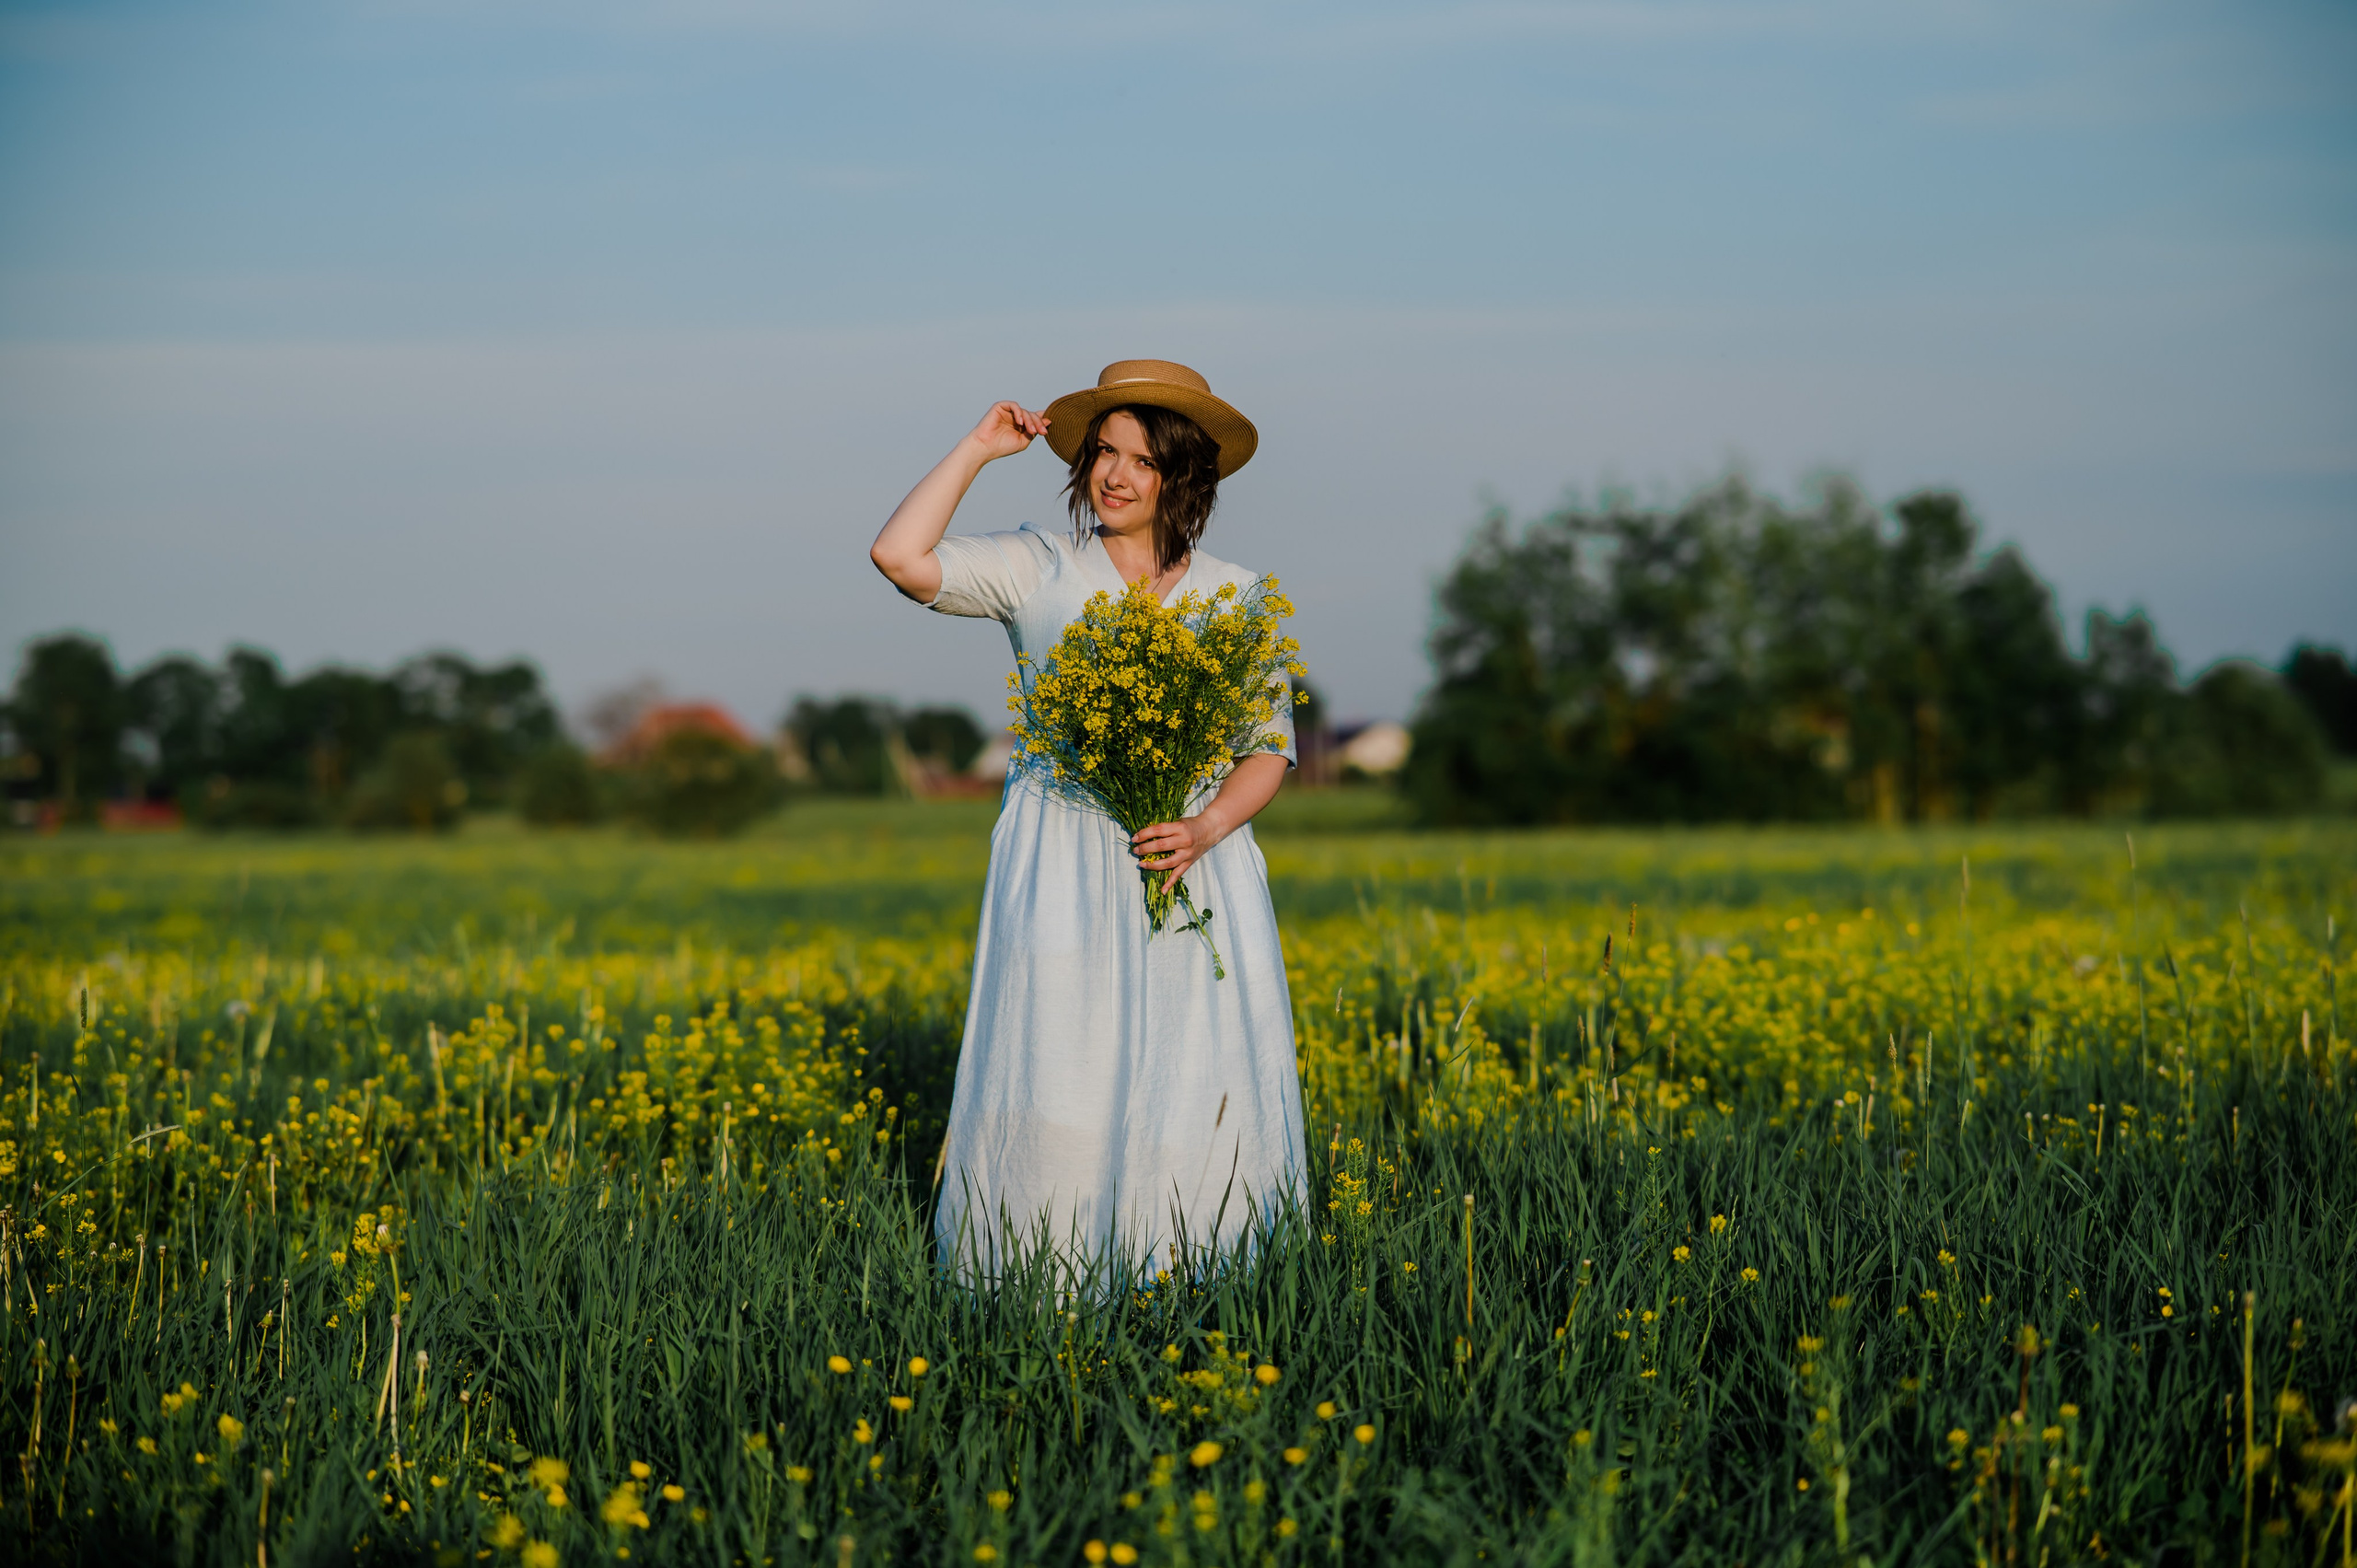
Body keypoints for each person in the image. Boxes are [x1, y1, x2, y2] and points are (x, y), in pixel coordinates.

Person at [868, 359, 1306, 1287]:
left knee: (1196, 1057)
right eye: (1102, 452)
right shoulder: (1038, 565)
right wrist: (980, 450)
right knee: (1055, 1057)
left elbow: (1267, 748)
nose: (1112, 475)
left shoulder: (1234, 594)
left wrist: (1205, 828)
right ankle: (1040, 1278)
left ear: (1182, 478)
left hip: (1194, 858)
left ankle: (1197, 1270)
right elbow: (899, 557)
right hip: (1060, 853)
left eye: (1139, 460)